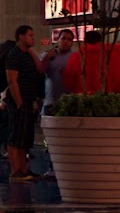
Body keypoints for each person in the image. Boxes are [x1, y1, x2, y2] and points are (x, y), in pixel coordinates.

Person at [4, 24, 44, 182]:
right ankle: (15, 171)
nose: (33, 38)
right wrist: (19, 102)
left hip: (28, 100)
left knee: (24, 138)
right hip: (19, 101)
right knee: (15, 136)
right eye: (30, 35)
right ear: (21, 36)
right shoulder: (14, 55)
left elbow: (40, 69)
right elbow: (12, 80)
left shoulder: (26, 54)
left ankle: (23, 169)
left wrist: (30, 50)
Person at [63, 31, 120, 97]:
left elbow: (69, 82)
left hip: (85, 99)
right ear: (101, 40)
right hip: (109, 99)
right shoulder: (113, 54)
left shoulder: (77, 57)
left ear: (85, 41)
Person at [42, 30, 76, 113]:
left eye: (69, 39)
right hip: (50, 102)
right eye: (63, 38)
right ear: (58, 40)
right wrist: (46, 58)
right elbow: (40, 72)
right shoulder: (48, 55)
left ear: (72, 42)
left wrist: (68, 74)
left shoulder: (75, 57)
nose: (66, 41)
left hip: (69, 103)